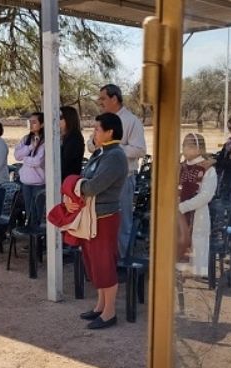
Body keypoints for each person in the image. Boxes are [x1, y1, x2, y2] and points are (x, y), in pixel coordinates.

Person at [70, 112, 127, 330]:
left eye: (97, 129)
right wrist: (80, 184)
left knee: (104, 263)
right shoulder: (102, 153)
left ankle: (109, 312)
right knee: (94, 262)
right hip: (93, 215)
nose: (94, 132)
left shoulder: (115, 156)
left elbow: (93, 186)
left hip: (105, 217)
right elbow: (86, 178)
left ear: (109, 132)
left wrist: (74, 185)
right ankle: (100, 306)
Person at [87, 84, 146, 259]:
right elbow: (91, 145)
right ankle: (106, 260)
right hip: (101, 180)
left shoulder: (131, 121)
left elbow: (140, 149)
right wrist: (97, 144)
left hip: (123, 179)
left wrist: (114, 149)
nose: (100, 102)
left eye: (103, 98)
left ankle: (121, 261)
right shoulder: (103, 120)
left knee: (122, 222)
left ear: (114, 98)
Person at [177, 133, 217, 276]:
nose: (184, 149)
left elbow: (206, 195)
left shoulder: (208, 169)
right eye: (184, 146)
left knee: (196, 245)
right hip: (178, 216)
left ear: (199, 149)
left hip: (197, 214)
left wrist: (183, 207)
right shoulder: (180, 167)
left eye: (188, 146)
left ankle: (194, 275)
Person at [14, 112, 46, 226]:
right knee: (29, 212)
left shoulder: (45, 141)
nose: (31, 124)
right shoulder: (26, 139)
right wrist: (30, 147)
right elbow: (17, 155)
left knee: (38, 213)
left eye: (34, 122)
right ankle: (31, 235)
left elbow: (38, 161)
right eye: (30, 122)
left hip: (39, 183)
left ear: (42, 124)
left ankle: (37, 235)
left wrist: (25, 158)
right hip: (26, 183)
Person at [60, 106, 85, 181]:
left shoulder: (74, 138)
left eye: (60, 118)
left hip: (68, 180)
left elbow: (65, 163)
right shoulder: (65, 136)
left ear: (68, 119)